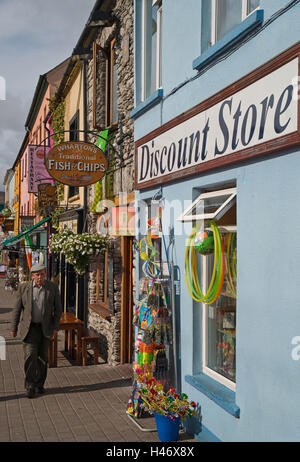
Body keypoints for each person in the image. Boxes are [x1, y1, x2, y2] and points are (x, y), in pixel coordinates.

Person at [10, 263, 62, 398]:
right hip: (30, 329)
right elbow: (17, 309)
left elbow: (58, 309)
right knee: (30, 357)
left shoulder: (52, 288)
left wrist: (56, 327)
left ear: (45, 274)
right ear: (32, 276)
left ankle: (39, 384)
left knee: (43, 358)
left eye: (42, 274)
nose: (40, 277)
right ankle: (30, 386)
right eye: (37, 275)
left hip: (45, 328)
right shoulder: (24, 288)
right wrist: (13, 327)